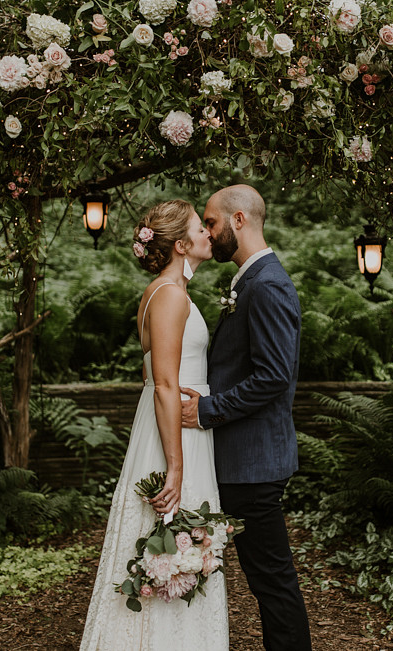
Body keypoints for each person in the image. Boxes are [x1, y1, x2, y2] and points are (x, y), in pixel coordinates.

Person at [80, 199, 228, 650]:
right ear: (182, 245)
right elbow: (163, 383)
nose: (208, 233)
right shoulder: (169, 294)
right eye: (200, 229)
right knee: (168, 539)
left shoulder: (165, 291)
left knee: (176, 546)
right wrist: (176, 466)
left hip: (179, 427)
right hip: (174, 435)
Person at [180, 185, 313, 651]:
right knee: (267, 580)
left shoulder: (268, 285)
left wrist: (207, 410)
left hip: (254, 463)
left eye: (212, 222)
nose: (209, 233)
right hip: (241, 460)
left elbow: (274, 376)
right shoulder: (249, 281)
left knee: (273, 582)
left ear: (239, 220)